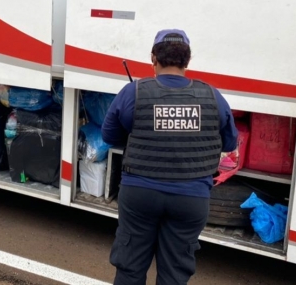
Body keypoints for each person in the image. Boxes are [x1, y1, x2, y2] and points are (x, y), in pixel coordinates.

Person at [102, 29, 238, 285]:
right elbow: (229, 142)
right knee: (175, 275)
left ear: (153, 58)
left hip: (140, 193)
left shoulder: (134, 91)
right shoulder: (212, 96)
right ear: (187, 61)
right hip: (191, 198)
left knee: (130, 268)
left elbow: (110, 137)